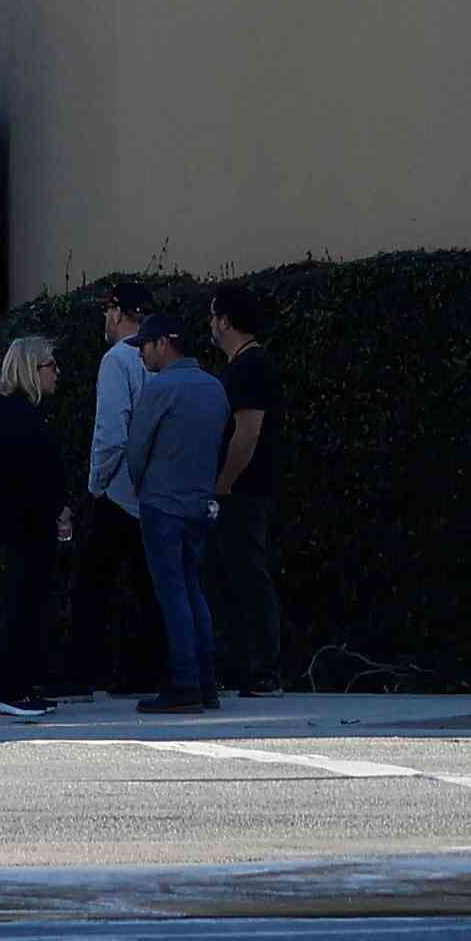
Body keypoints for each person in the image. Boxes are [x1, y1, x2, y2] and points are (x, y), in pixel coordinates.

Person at [115, 306, 234, 714]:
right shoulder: (215, 389)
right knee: (194, 589)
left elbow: (136, 450)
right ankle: (206, 683)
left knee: (173, 594)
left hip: (162, 503)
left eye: (144, 346)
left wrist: (142, 485)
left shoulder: (159, 389)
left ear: (164, 344)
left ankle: (185, 683)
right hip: (200, 504)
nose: (141, 354)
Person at [0, 334, 72, 714]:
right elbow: (29, 476)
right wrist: (55, 508)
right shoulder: (17, 417)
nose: (57, 372)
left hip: (28, 522)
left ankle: (20, 685)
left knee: (30, 603)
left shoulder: (17, 413)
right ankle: (8, 687)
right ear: (32, 369)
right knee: (24, 603)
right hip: (26, 524)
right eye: (51, 365)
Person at [202, 284, 282, 698]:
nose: (210, 324)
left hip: (244, 492)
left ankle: (263, 669)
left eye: (214, 316)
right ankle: (241, 665)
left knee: (249, 577)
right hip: (239, 490)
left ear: (226, 320)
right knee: (232, 577)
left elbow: (247, 431)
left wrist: (224, 482)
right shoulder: (241, 365)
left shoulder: (251, 366)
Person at [79, 290, 156, 693]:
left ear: (117, 314)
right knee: (149, 586)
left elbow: (111, 434)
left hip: (119, 492)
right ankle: (148, 669)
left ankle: (85, 671)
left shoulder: (117, 360)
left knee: (94, 585)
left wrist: (96, 484)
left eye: (108, 310)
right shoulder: (163, 360)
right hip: (157, 492)